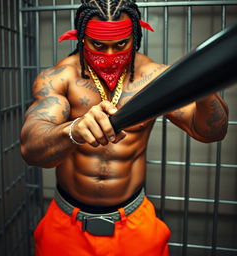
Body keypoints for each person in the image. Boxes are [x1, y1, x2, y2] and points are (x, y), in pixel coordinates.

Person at [20, 0, 229, 255]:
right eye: (98, 45)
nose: (109, 55)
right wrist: (72, 131)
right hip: (67, 224)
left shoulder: (153, 77)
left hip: (133, 223)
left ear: (135, 37)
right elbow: (31, 149)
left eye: (120, 44)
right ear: (81, 37)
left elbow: (211, 132)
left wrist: (202, 86)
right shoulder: (59, 78)